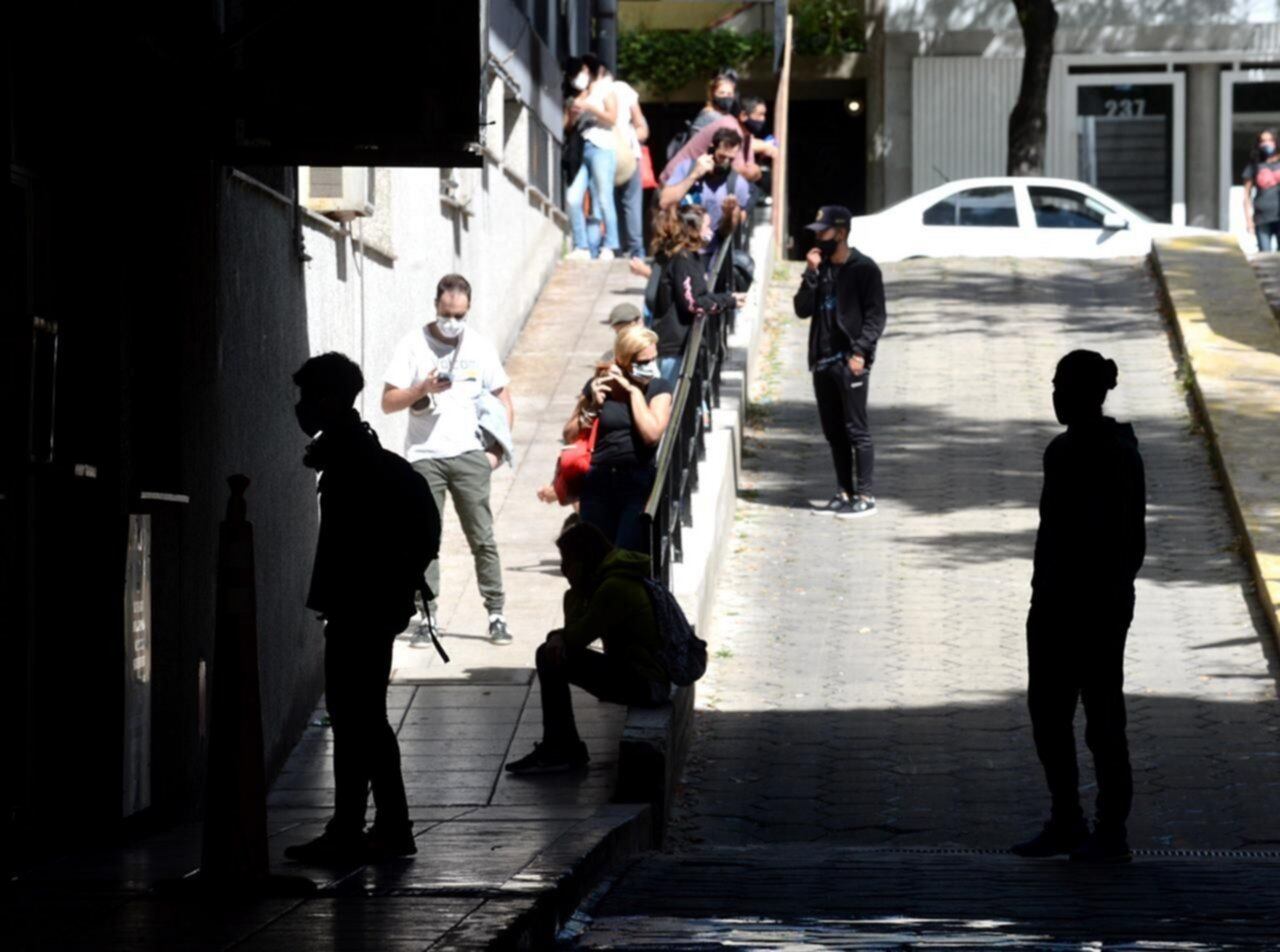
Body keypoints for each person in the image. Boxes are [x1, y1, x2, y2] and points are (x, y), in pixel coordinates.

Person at [285, 353, 440, 863]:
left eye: (308, 398)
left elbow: (354, 546)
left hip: (361, 607)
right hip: (368, 604)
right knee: (356, 716)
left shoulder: (352, 461)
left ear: (329, 400)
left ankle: (384, 826)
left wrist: (350, 598)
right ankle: (357, 826)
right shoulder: (357, 453)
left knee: (360, 717)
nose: (302, 409)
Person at [1013, 351, 1146, 865]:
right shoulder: (1063, 450)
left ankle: (1110, 831)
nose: (1054, 396)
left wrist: (1100, 599)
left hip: (1095, 609)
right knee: (1049, 716)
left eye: (1061, 387)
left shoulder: (1115, 456)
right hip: (1053, 605)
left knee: (1102, 721)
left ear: (1086, 394)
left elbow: (1126, 543)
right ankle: (1067, 819)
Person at [382, 274, 515, 646]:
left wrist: (496, 452)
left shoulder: (479, 347)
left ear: (468, 310)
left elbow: (504, 399)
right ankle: (427, 617)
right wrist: (421, 389)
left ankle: (496, 613)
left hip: (470, 456)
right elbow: (387, 402)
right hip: (425, 458)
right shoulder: (413, 345)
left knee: (483, 537)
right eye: (446, 313)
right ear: (436, 306)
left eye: (459, 314)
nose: (452, 321)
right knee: (425, 540)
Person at [505, 522, 669, 775]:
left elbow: (576, 638)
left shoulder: (615, 587)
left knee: (548, 656)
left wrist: (562, 624)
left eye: (567, 561)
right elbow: (573, 633)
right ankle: (561, 745)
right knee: (551, 652)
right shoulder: (603, 582)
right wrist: (574, 596)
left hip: (648, 683)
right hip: (642, 677)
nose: (563, 569)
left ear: (583, 559)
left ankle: (560, 748)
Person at [794, 204, 886, 518]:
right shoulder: (821, 268)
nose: (819, 238)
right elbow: (802, 309)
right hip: (822, 362)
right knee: (834, 433)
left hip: (850, 362)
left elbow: (876, 318)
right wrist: (810, 273)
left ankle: (866, 495)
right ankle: (844, 492)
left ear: (842, 233)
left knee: (856, 430)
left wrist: (860, 353)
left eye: (824, 232)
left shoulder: (865, 269)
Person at [564, 325, 673, 551]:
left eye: (654, 358)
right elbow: (569, 434)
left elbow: (651, 434)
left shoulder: (659, 388)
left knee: (626, 552)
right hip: (599, 480)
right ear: (624, 360)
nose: (651, 366)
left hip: (637, 480)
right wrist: (593, 407)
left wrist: (633, 392)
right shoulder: (601, 383)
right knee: (597, 555)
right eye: (643, 362)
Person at [650, 205, 744, 384]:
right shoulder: (683, 259)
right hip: (674, 346)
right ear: (693, 230)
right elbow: (693, 303)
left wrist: (729, 299)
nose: (710, 231)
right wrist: (727, 302)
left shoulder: (689, 257)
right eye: (706, 226)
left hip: (680, 342)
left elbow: (699, 294)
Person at [658, 126, 751, 266]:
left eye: (730, 159)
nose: (725, 162)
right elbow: (664, 202)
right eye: (721, 156)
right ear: (711, 148)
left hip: (711, 256)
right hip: (680, 250)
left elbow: (728, 231)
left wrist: (729, 214)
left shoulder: (738, 184)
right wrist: (694, 175)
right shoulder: (686, 168)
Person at [564, 54, 620, 261]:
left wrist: (590, 108)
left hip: (602, 147)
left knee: (605, 199)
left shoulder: (605, 89)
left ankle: (611, 245)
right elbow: (568, 127)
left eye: (585, 71)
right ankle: (582, 246)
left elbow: (612, 117)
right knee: (572, 198)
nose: (581, 76)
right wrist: (573, 115)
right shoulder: (578, 95)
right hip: (581, 150)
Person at [661, 96, 762, 187]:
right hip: (677, 179)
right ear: (743, 115)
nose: (763, 119)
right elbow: (740, 170)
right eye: (760, 115)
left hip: (695, 181)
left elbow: (749, 165)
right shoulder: (731, 128)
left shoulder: (746, 133)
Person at [611, 74, 651, 261]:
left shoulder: (594, 93)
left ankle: (615, 247)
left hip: (605, 154)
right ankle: (637, 250)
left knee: (610, 203)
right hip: (629, 154)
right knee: (632, 204)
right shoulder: (623, 88)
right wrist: (630, 136)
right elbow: (642, 128)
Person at [1244, 128, 1280, 253]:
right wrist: (1249, 221)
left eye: (1270, 140)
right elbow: (1246, 196)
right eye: (1263, 141)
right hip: (1261, 217)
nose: (1266, 144)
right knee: (1265, 256)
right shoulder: (1254, 165)